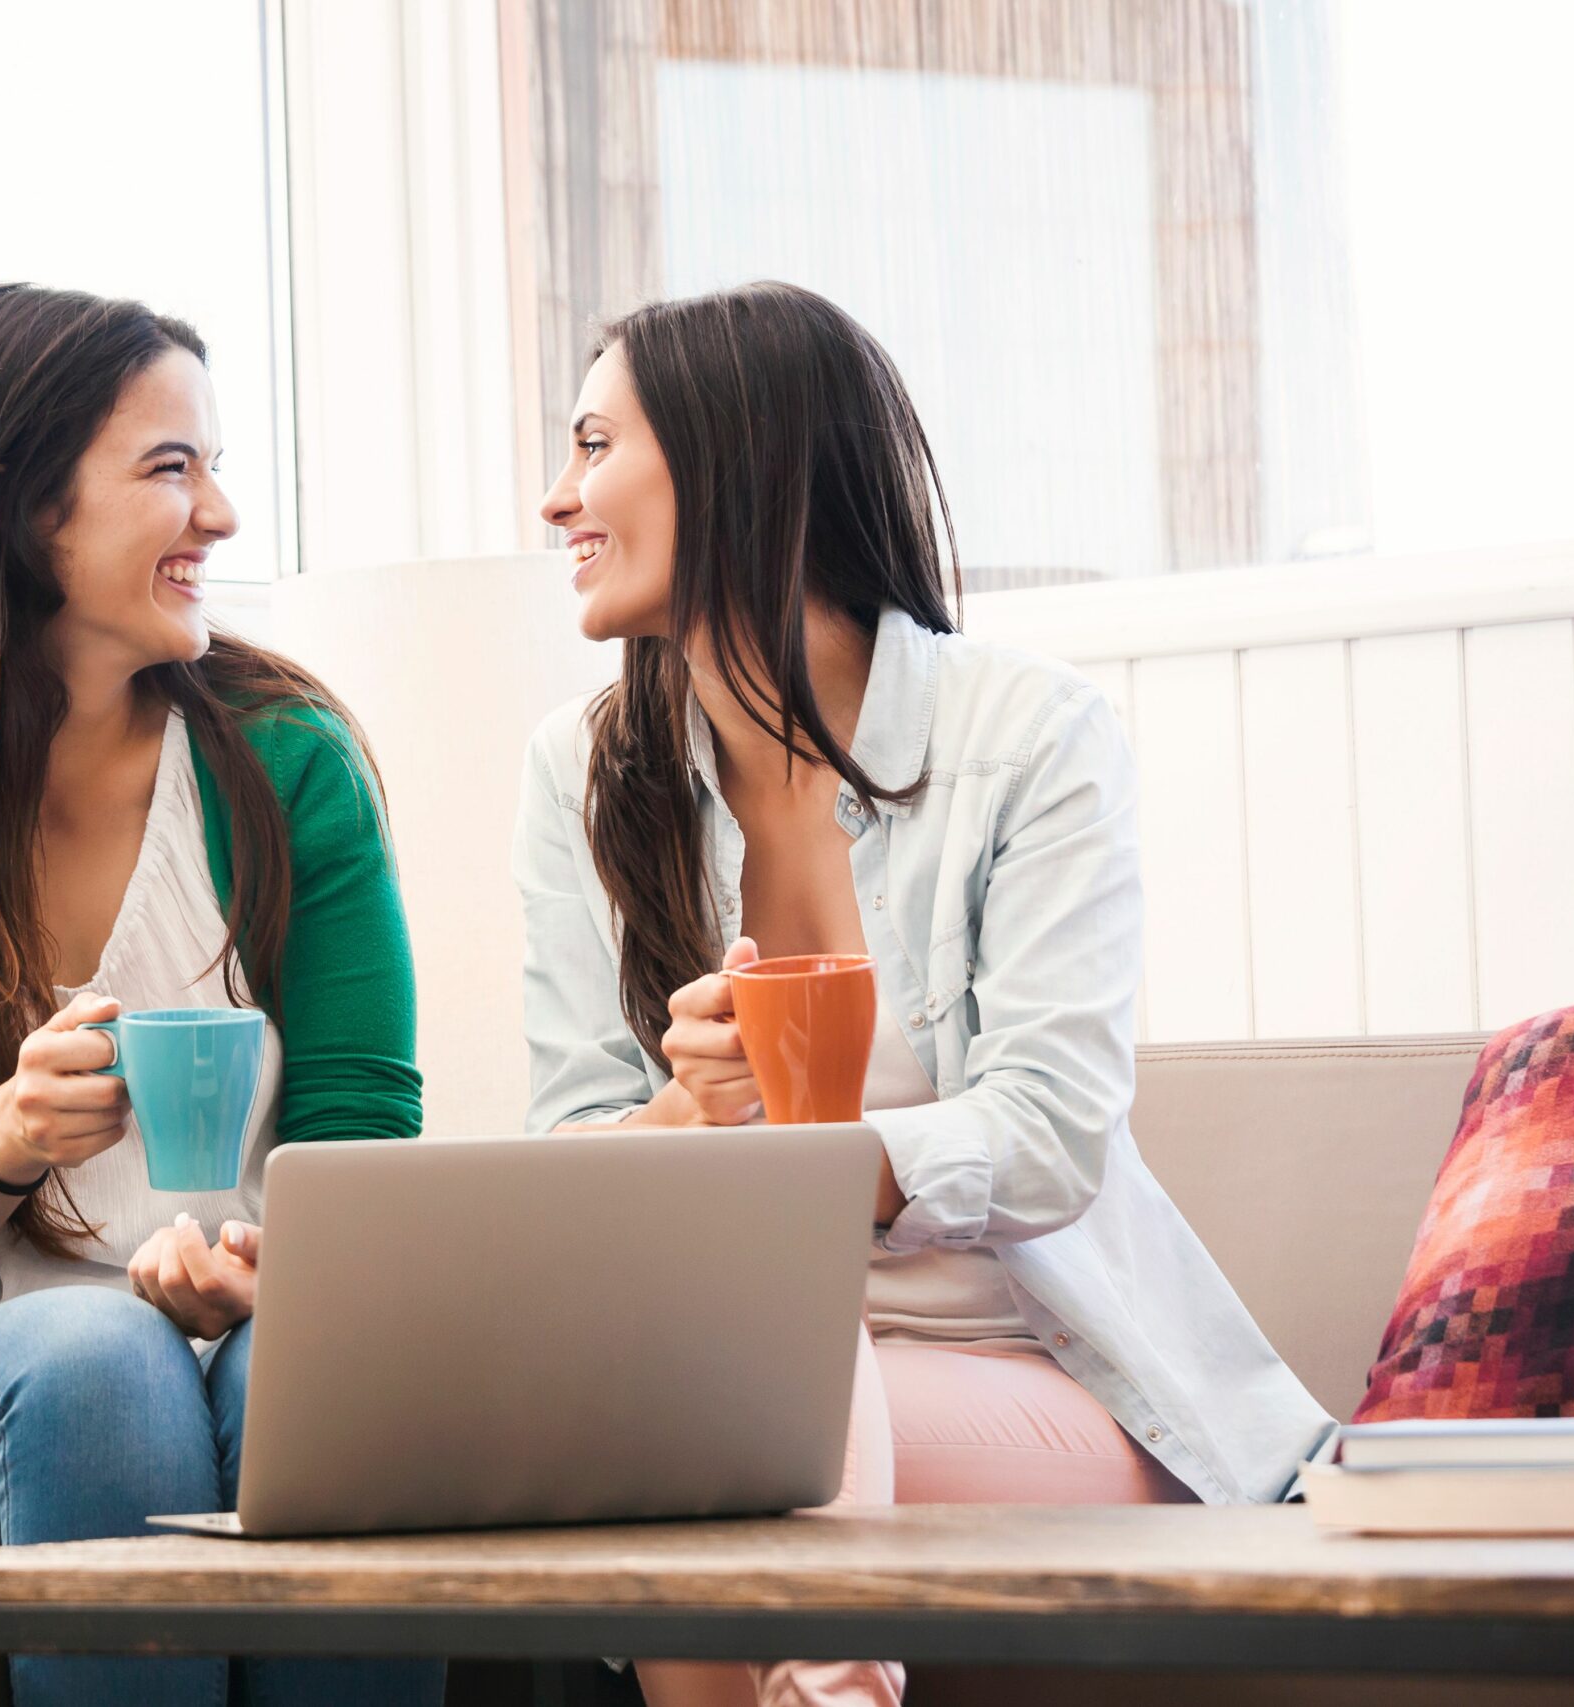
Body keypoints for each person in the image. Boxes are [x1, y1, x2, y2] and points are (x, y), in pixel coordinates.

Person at [512, 281, 1331, 1707]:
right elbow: (570, 1156)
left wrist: (797, 1174)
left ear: (736, 460)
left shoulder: (1029, 736)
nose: (556, 498)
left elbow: (1054, 1129)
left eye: (594, 445)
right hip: (758, 1377)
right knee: (706, 1366)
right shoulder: (584, 775)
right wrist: (688, 1121)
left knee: (727, 1371)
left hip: (1050, 1378)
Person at [0, 283, 439, 1707]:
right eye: (171, 468)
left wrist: (270, 1276)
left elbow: (364, 1142)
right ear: (14, 506)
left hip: (232, 1338)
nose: (219, 515)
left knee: (327, 1368)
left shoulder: (290, 769)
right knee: (107, 1356)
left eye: (215, 466)